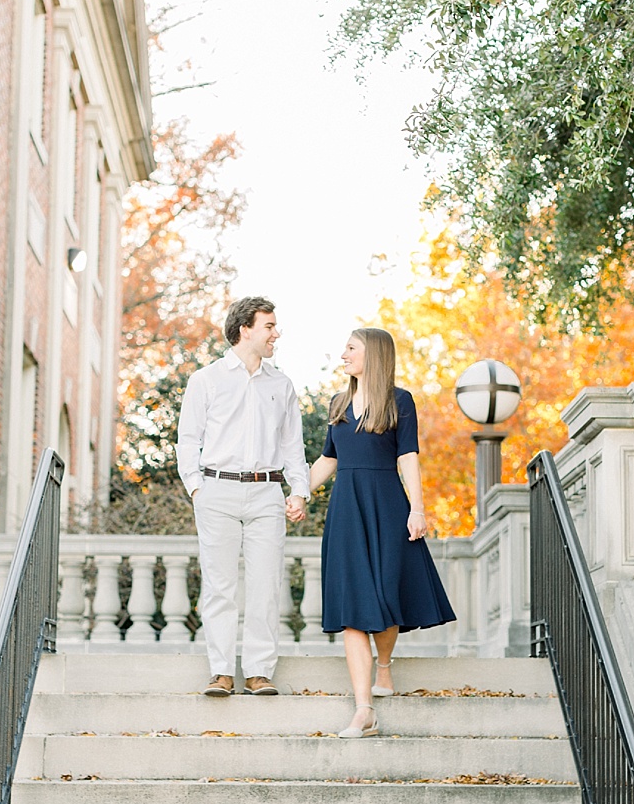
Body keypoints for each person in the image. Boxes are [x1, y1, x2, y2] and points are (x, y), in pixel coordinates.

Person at [306, 326, 455, 737]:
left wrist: (418, 509)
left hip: (388, 505)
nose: (343, 355)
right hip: (347, 511)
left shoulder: (399, 401)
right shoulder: (338, 403)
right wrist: (297, 493)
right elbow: (327, 460)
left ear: (373, 354)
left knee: (387, 595)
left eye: (350, 348)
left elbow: (408, 456)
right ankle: (364, 709)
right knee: (354, 607)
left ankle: (384, 668)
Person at [176, 296, 309, 697]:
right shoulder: (206, 380)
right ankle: (220, 671)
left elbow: (292, 446)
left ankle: (258, 671)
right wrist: (197, 488)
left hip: (267, 492)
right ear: (244, 329)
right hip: (216, 489)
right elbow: (187, 440)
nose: (276, 333)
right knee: (219, 586)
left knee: (266, 585)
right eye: (269, 325)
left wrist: (299, 490)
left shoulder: (281, 384)